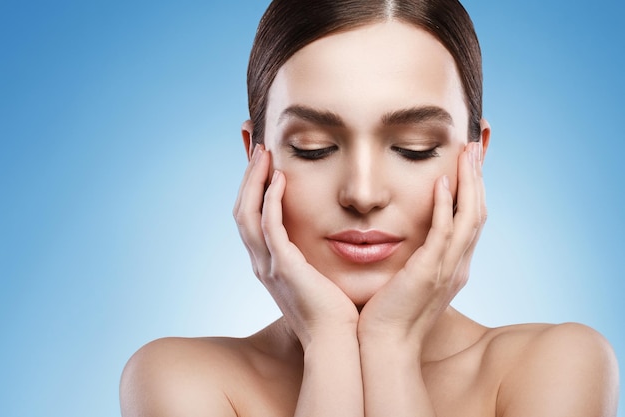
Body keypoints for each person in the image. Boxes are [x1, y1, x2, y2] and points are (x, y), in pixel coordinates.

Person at [120, 1, 619, 416]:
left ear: (476, 155)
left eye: (415, 148)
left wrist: (391, 346)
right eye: (314, 147)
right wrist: (329, 344)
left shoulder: (556, 367)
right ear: (256, 157)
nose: (362, 193)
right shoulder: (180, 379)